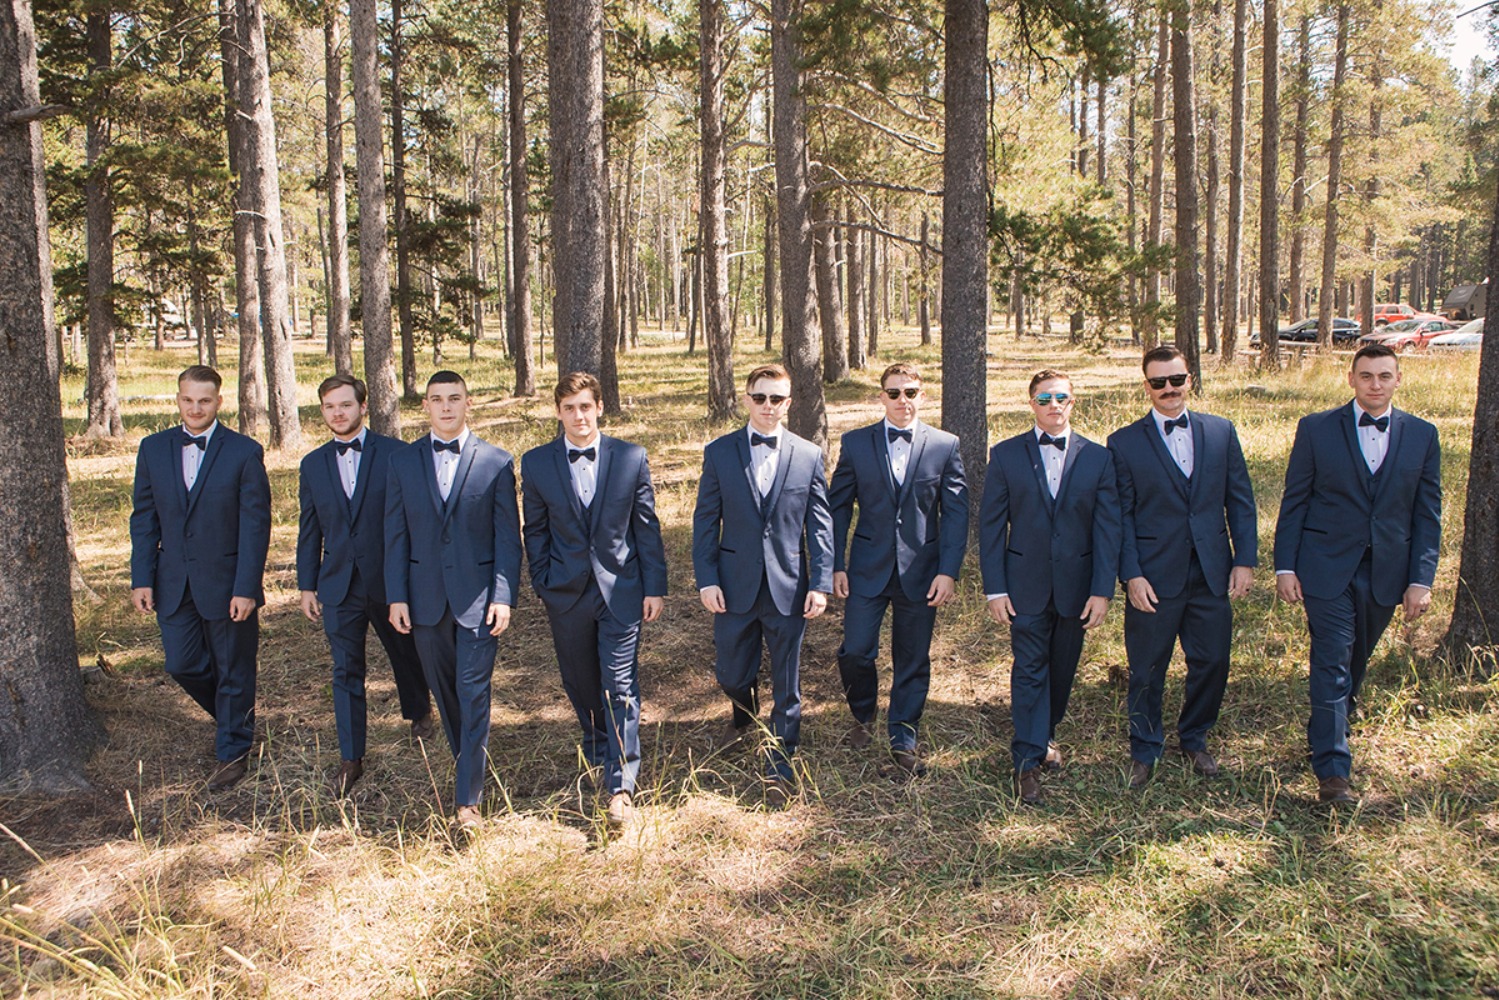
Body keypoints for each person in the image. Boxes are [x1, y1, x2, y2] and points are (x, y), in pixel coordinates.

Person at [1274, 343, 1441, 805]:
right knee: (1332, 658)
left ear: (1398, 380)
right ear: (1351, 379)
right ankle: (1332, 771)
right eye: (1366, 375)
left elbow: (1428, 515)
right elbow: (1295, 500)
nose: (1374, 384)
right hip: (1324, 566)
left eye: (1384, 376)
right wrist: (1285, 565)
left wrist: (1420, 579)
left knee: (1356, 660)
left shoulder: (1423, 435)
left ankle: (1326, 726)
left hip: (1387, 571)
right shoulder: (1316, 429)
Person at [521, 372, 668, 829]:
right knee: (580, 681)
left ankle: (621, 784)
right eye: (569, 408)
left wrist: (654, 586)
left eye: (586, 406)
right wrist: (543, 581)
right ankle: (597, 739)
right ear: (558, 412)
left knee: (619, 684)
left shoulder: (630, 457)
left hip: (621, 590)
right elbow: (536, 530)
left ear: (599, 407)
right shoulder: (537, 463)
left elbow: (646, 527)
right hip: (564, 592)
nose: (578, 416)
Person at [1108, 345, 1257, 790]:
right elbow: (1121, 517)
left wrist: (1244, 560)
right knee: (1147, 667)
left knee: (1212, 661)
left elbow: (1242, 502)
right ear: (1147, 386)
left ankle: (1194, 736)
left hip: (1212, 572)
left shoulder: (1221, 432)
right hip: (1153, 577)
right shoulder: (1124, 442)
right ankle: (1144, 746)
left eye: (1176, 380)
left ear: (1190, 379)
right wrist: (1131, 574)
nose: (1169, 389)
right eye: (1159, 383)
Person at [384, 370, 522, 829]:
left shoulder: (497, 462)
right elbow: (396, 536)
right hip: (423, 601)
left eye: (454, 398)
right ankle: (472, 761)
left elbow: (508, 538)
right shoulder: (402, 463)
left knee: (473, 691)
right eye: (437, 399)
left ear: (468, 403)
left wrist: (503, 595)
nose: (446, 407)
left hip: (479, 600)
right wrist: (396, 596)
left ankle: (468, 800)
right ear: (425, 406)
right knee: (446, 694)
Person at [692, 363, 834, 807]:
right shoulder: (719, 452)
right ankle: (743, 707)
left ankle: (780, 761)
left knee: (787, 681)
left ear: (789, 403)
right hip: (733, 586)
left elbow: (821, 524)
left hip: (789, 585)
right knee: (732, 673)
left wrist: (822, 581)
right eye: (760, 398)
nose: (768, 406)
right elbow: (704, 521)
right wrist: (707, 579)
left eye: (777, 399)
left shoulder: (809, 455)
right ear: (746, 399)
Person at [981, 370, 1120, 805]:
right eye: (1044, 399)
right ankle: (1025, 760)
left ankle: (1045, 734)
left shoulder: (1098, 458)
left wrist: (1102, 590)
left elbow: (1107, 529)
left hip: (1078, 587)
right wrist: (995, 589)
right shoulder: (1005, 455)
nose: (1053, 405)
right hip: (1024, 584)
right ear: (1032, 404)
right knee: (1029, 668)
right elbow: (990, 527)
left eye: (1061, 397)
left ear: (1073, 403)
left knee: (1062, 669)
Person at [130, 365, 271, 790]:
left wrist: (247, 587)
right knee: (181, 663)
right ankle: (235, 718)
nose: (195, 408)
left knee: (234, 668)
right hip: (172, 582)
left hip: (228, 584)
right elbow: (144, 517)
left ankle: (233, 750)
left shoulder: (244, 452)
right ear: (177, 399)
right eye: (188, 400)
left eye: (204, 400)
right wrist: (142, 577)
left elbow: (255, 525)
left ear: (219, 402)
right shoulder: (152, 448)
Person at [828, 362, 968, 777]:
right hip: (866, 568)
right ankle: (863, 713)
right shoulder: (855, 443)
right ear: (881, 397)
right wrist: (835, 564)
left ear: (922, 396)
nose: (902, 400)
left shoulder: (945, 445)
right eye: (894, 393)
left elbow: (956, 513)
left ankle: (903, 732)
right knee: (855, 649)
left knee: (912, 656)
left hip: (922, 571)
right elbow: (837, 508)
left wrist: (949, 571)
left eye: (910, 392)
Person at [297, 374, 433, 798]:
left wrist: (410, 581)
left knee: (405, 653)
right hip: (337, 585)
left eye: (345, 405)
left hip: (389, 580)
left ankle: (419, 710)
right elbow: (309, 529)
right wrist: (306, 585)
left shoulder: (396, 455)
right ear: (323, 412)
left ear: (362, 407)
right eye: (329, 407)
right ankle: (351, 756)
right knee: (345, 670)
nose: (338, 413)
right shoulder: (312, 464)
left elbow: (413, 522)